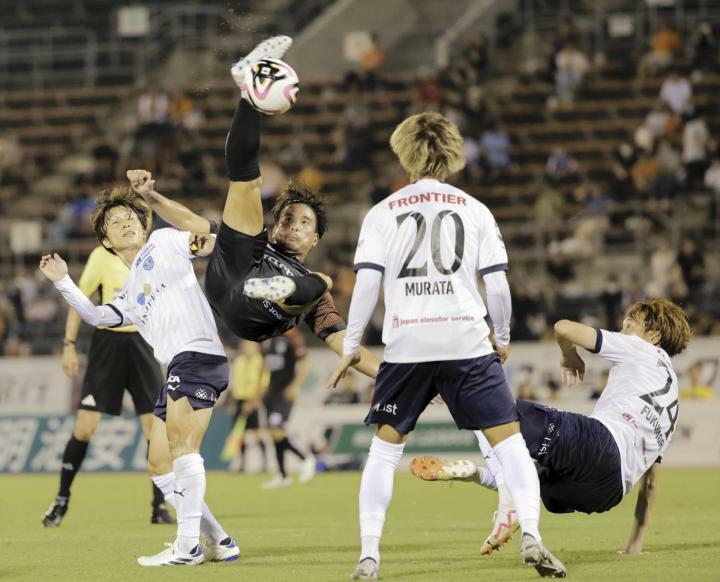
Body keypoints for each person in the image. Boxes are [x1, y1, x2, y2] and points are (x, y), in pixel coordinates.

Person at [328, 112, 566, 580]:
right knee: (511, 446)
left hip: (407, 344)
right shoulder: (475, 210)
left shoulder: (382, 212)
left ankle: (369, 556)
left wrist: (351, 346)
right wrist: (502, 337)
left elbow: (366, 286)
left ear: (403, 153)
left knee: (384, 451)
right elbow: (496, 286)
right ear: (453, 154)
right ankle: (534, 536)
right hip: (465, 339)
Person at [126, 36, 379, 380]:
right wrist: (152, 197)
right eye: (287, 217)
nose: (292, 223)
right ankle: (249, 90)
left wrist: (400, 381)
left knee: (321, 282)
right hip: (237, 272)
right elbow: (192, 223)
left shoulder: (315, 294)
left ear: (316, 239)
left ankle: (277, 290)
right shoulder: (259, 243)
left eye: (304, 222)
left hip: (255, 314)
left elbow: (346, 345)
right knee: (247, 188)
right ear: (276, 226)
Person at [39, 186, 237, 566]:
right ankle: (220, 540)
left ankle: (188, 545)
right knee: (160, 464)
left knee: (183, 451)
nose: (125, 222)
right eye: (115, 221)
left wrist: (157, 199)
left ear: (144, 225)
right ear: (105, 241)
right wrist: (63, 281)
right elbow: (98, 317)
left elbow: (206, 237)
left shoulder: (165, 241)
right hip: (177, 367)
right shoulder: (130, 293)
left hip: (198, 355)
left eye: (131, 216)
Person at [411, 299, 690, 556]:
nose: (622, 328)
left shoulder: (643, 349)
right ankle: (478, 475)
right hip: (606, 493)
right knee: (529, 476)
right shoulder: (672, 408)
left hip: (601, 444)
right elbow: (650, 484)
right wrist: (634, 548)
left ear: (654, 337)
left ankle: (506, 502)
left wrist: (569, 356)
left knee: (494, 408)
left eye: (630, 324)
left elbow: (564, 328)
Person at [41, 238, 173, 528]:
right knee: (85, 428)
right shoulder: (100, 256)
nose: (130, 225)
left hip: (143, 343)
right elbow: (80, 300)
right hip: (107, 344)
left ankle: (159, 506)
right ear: (107, 232)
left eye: (136, 218)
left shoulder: (153, 253)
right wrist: (68, 344)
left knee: (155, 429)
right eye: (120, 219)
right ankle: (61, 500)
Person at [260, 328, 315, 488]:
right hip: (271, 391)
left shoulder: (292, 336)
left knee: (276, 430)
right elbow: (265, 364)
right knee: (272, 433)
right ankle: (283, 476)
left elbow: (304, 362)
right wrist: (262, 386)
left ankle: (305, 458)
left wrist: (295, 386)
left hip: (285, 392)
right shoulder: (267, 337)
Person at [221, 339, 268, 472]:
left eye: (250, 346)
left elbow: (263, 384)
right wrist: (234, 403)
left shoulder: (261, 362)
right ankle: (242, 464)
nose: (247, 348)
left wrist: (253, 402)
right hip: (239, 400)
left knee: (256, 433)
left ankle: (265, 463)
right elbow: (235, 383)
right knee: (239, 434)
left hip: (252, 400)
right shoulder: (239, 361)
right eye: (245, 346)